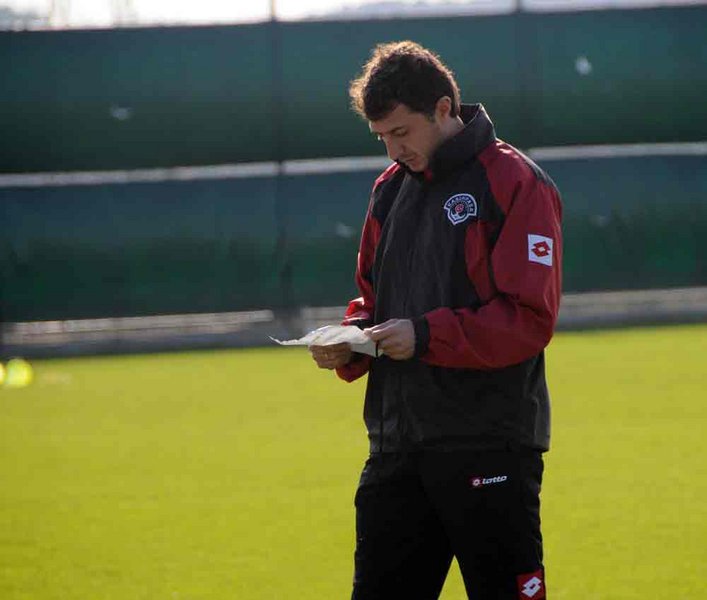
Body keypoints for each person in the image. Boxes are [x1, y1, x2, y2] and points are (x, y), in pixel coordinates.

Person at [310, 40, 562, 600]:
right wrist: (351, 340)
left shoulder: (515, 181)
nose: (393, 149)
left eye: (401, 132)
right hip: (396, 449)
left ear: (444, 108)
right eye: (381, 137)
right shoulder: (388, 191)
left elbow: (528, 319)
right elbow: (373, 302)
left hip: (488, 444)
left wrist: (423, 335)